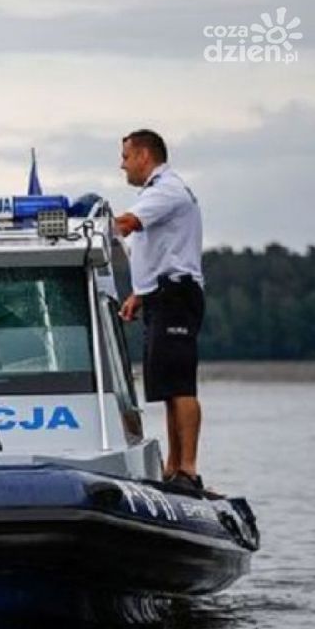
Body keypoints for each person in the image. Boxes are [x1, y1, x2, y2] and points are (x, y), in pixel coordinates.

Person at [115, 129, 205, 491]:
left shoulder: (165, 189)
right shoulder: (156, 192)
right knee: (168, 386)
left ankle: (188, 468)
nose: (122, 165)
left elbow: (127, 224)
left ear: (144, 156)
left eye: (125, 157)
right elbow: (159, 249)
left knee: (181, 385)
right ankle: (172, 467)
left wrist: (81, 227)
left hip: (176, 295)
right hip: (160, 295)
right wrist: (139, 294)